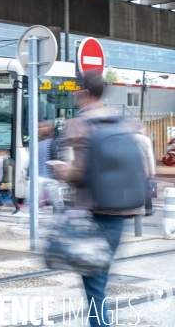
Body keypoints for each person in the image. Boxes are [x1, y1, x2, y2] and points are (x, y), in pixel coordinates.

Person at [53, 71, 142, 327]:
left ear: (82, 93)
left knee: (94, 286)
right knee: (99, 279)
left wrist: (61, 170)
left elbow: (78, 173)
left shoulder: (80, 124)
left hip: (92, 214)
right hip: (121, 212)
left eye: (75, 90)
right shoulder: (120, 121)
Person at [134, 125, 155, 216]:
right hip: (143, 169)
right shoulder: (145, 139)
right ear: (142, 129)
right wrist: (152, 172)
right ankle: (148, 210)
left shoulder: (128, 138)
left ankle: (133, 209)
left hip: (130, 169)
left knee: (132, 189)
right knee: (146, 190)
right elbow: (149, 157)